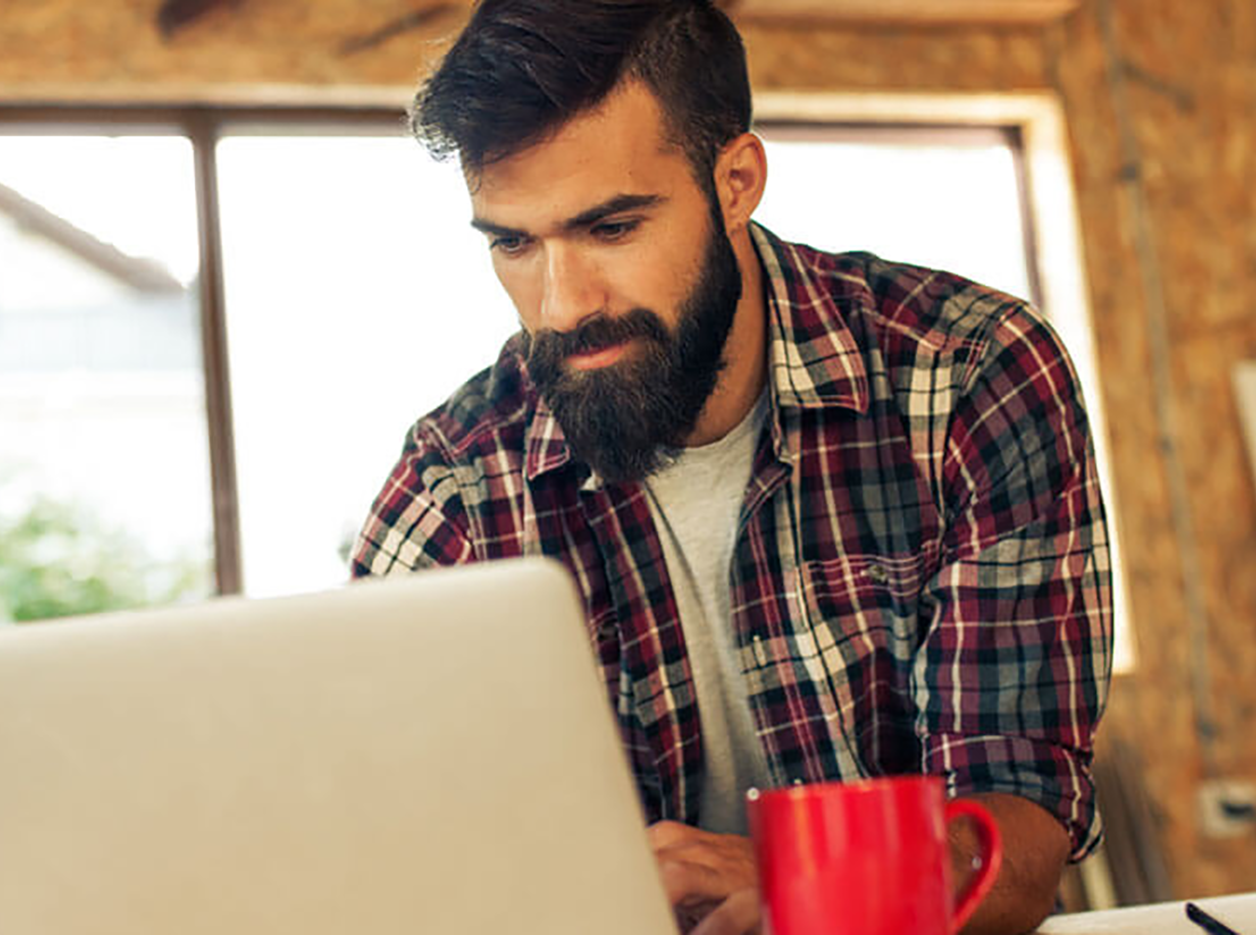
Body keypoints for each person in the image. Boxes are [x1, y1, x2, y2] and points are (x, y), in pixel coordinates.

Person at [349, 1, 1114, 933]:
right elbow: (379, 851)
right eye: (513, 242)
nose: (560, 306)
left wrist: (816, 896)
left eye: (612, 229)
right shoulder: (455, 486)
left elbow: (1019, 834)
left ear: (738, 179)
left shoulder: (969, 377)